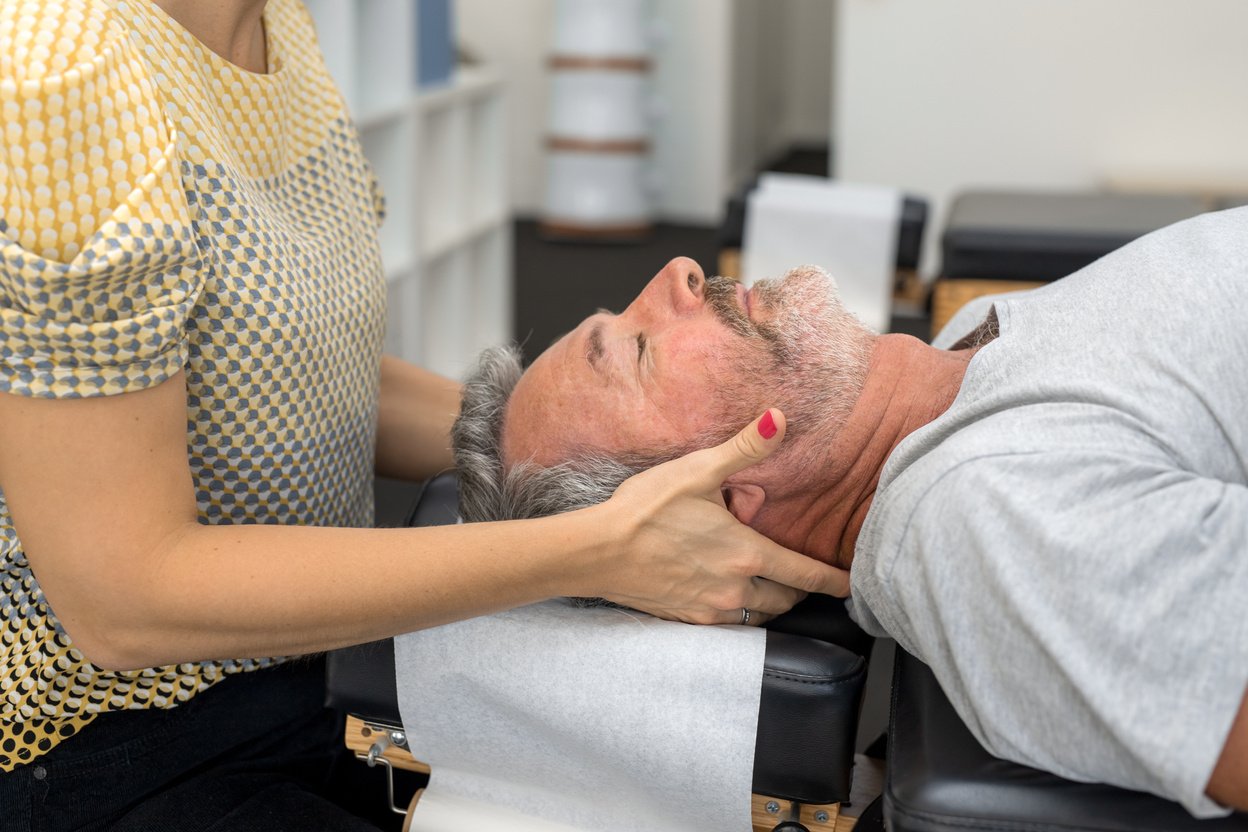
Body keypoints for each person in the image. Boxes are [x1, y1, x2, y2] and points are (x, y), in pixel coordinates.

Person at [0, 2, 849, 829]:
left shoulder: (277, 26)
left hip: (308, 677)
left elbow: (290, 379)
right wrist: (599, 548)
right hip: (99, 755)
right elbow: (123, 600)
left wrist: (595, 462)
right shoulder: (55, 61)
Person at [452, 208, 1248, 817]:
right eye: (638, 349)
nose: (677, 272)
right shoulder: (985, 525)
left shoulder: (950, 359)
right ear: (717, 502)